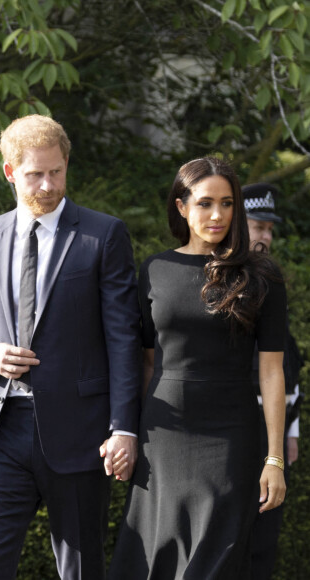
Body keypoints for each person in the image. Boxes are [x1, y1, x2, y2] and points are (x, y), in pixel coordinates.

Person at [0, 114, 141, 579]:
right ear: (10, 171)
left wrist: (124, 428)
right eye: (36, 174)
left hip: (82, 433)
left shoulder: (104, 235)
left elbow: (123, 338)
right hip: (1, 428)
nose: (49, 184)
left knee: (81, 569)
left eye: (57, 172)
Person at [109, 157, 287, 579]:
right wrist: (131, 435)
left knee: (216, 559)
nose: (217, 215)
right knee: (158, 559)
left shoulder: (261, 275)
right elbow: (147, 360)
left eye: (227, 203)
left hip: (231, 438)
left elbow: (272, 372)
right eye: (205, 203)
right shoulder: (155, 269)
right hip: (163, 439)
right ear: (181, 206)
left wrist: (274, 459)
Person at [243, 182, 304, 579]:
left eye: (269, 229)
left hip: (270, 441)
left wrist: (290, 434)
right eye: (257, 226)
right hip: (227, 434)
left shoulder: (271, 284)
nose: (264, 236)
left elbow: (289, 368)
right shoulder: (212, 278)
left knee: (261, 547)